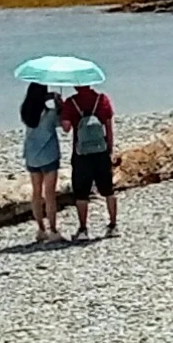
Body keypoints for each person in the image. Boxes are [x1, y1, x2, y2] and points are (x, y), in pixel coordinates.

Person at [60, 82, 119, 240]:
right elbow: (108, 126)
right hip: (101, 151)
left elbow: (65, 128)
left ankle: (83, 229)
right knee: (108, 190)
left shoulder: (71, 103)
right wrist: (110, 149)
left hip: (81, 153)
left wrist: (61, 109)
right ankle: (113, 225)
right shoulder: (102, 99)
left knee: (81, 193)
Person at [19, 80, 63, 242]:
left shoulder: (25, 112)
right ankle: (53, 229)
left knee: (36, 193)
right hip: (49, 155)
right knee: (50, 194)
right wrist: (59, 104)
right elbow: (62, 124)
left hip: (32, 155)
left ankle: (40, 229)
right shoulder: (50, 114)